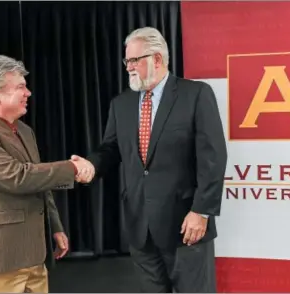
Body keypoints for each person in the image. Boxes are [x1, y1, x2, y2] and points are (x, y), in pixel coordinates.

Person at [73, 27, 227, 292]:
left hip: (186, 227)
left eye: (135, 60)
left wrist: (201, 211)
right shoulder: (121, 104)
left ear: (157, 59)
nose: (129, 67)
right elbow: (111, 149)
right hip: (140, 228)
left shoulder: (196, 95)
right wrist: (91, 165)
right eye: (127, 61)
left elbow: (213, 157)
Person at [0, 54, 94, 293]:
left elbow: (38, 183)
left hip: (33, 258)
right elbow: (18, 177)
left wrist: (55, 226)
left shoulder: (24, 131)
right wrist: (72, 168)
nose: (28, 93)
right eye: (20, 87)